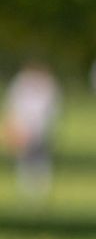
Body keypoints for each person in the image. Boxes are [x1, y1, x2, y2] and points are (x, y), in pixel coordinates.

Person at [3, 64, 60, 194]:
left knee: (41, 159)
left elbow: (50, 112)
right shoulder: (20, 85)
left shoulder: (47, 86)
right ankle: (29, 190)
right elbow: (13, 107)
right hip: (25, 127)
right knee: (25, 159)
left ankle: (40, 189)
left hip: (40, 129)